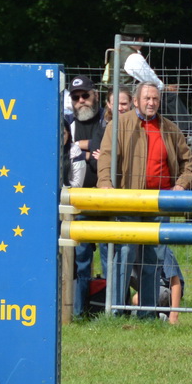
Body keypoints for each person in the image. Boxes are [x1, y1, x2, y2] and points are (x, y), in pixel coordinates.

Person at [97, 82, 192, 318]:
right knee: (124, 255)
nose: (151, 102)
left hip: (159, 204)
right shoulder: (118, 127)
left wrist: (181, 185)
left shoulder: (170, 129)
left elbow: (189, 162)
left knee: (153, 260)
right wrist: (106, 185)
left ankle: (148, 314)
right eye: (147, 98)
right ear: (135, 101)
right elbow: (106, 159)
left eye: (155, 98)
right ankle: (116, 312)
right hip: (127, 202)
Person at [64, 77, 107, 318]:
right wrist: (90, 151)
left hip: (107, 201)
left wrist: (80, 146)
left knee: (110, 258)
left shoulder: (107, 118)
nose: (81, 101)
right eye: (75, 97)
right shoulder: (67, 122)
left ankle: (112, 311)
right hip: (77, 204)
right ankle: (79, 313)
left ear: (96, 95)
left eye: (85, 95)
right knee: (79, 261)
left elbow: (108, 146)